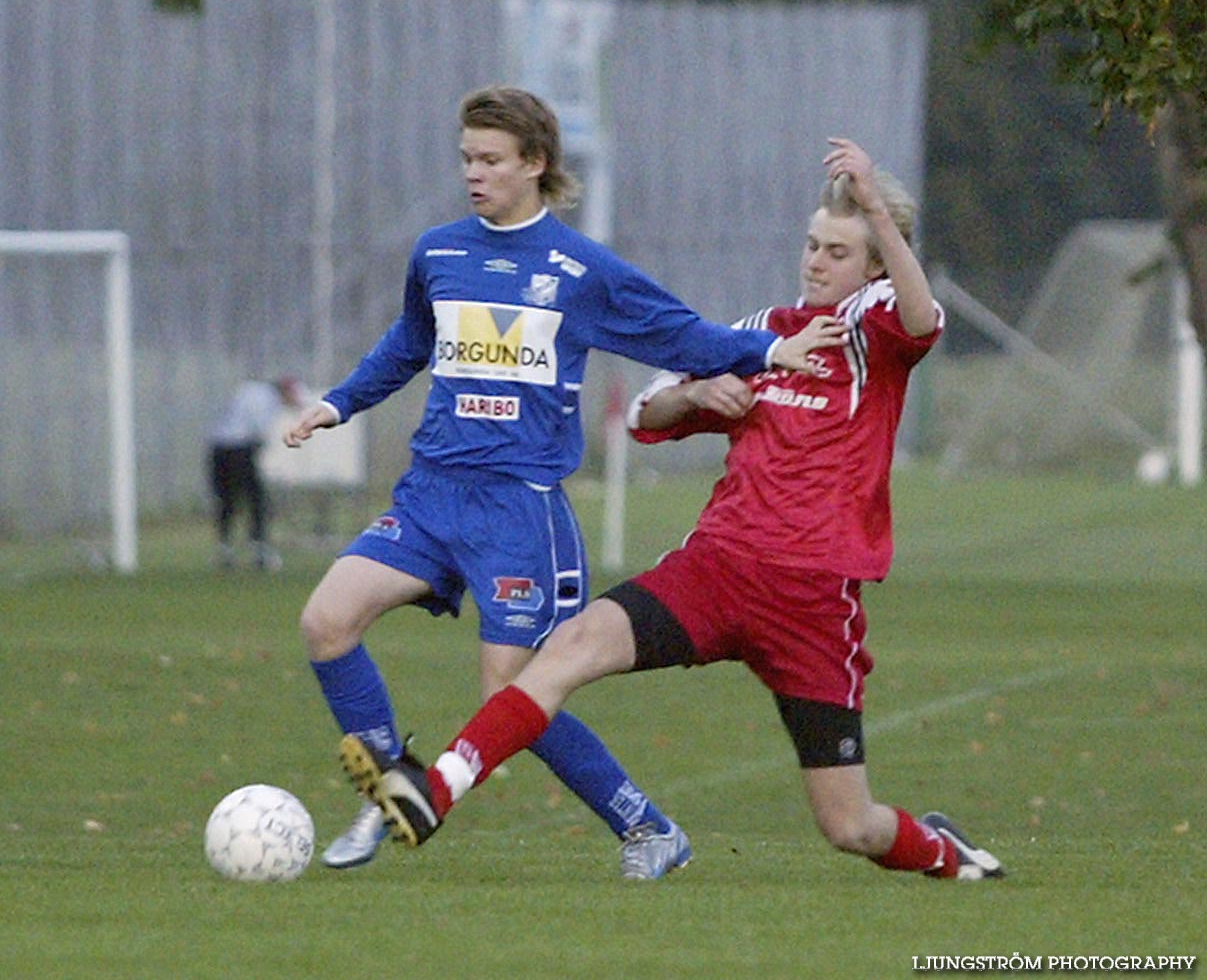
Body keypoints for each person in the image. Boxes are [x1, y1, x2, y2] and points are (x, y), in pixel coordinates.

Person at [337, 137, 1006, 882]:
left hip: (810, 600)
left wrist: (878, 210)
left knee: (849, 826)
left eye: (838, 251)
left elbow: (921, 319)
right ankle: (432, 794)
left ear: (874, 261)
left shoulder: (877, 335)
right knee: (568, 649)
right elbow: (644, 417)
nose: (815, 261)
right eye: (812, 245)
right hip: (713, 571)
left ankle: (946, 854)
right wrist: (697, 394)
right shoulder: (763, 332)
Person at [282, 86, 835, 877]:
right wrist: (337, 404)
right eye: (466, 158)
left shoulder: (579, 269)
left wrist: (764, 354)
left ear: (535, 164)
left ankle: (647, 828)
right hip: (432, 492)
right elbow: (407, 344)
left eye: (491, 161)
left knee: (511, 693)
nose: (473, 174)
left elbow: (674, 330)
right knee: (326, 622)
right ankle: (390, 795)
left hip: (518, 509)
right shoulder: (438, 252)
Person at [208, 375, 303, 570]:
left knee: (227, 501)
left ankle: (225, 548)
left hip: (218, 447)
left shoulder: (251, 390)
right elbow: (257, 429)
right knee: (256, 500)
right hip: (239, 450)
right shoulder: (267, 400)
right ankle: (258, 549)